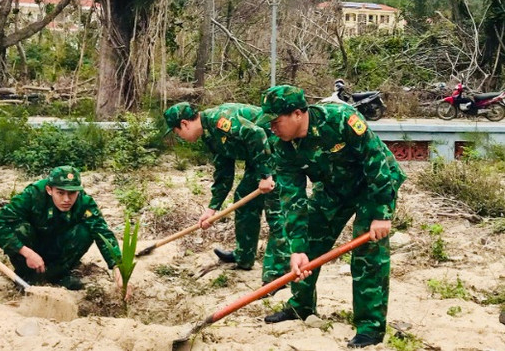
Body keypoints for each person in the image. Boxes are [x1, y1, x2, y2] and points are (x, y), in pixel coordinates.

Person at [255, 85, 406, 348]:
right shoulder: (283, 146)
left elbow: (376, 160)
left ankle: (370, 328)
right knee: (310, 244)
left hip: (373, 185)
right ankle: (300, 306)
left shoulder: (339, 119)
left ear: (298, 114)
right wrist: (297, 248)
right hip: (334, 188)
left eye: (276, 121)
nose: (273, 128)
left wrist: (382, 213)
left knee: (368, 253)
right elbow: (293, 198)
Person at [163, 102, 288, 285]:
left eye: (177, 132)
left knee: (275, 211)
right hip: (259, 159)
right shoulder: (208, 134)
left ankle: (277, 274)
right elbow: (224, 171)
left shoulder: (220, 120)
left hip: (278, 152)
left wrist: (266, 175)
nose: (180, 137)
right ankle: (244, 256)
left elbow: (257, 134)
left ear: (184, 124)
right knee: (243, 199)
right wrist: (212, 208)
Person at [0, 166, 128, 296]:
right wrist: (26, 252)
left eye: (72, 193)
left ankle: (57, 275)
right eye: (60, 193)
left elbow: (102, 232)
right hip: (32, 248)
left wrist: (118, 267)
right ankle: (27, 276)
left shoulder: (84, 202)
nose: (66, 199)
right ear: (49, 190)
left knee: (85, 231)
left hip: (59, 247)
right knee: (20, 228)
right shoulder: (32, 195)